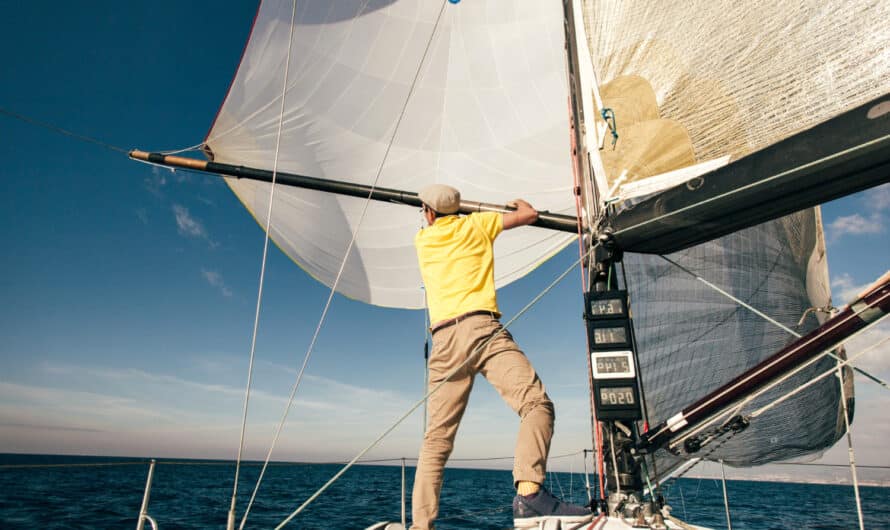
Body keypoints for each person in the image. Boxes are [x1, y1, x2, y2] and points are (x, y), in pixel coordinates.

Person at [410, 184, 591, 529]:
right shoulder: (479, 224)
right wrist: (515, 204)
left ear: (429, 214)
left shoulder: (423, 242)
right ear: (457, 211)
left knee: (436, 440)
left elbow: (432, 224)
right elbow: (529, 214)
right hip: (483, 330)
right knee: (536, 405)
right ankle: (529, 494)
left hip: (445, 339)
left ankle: (421, 526)